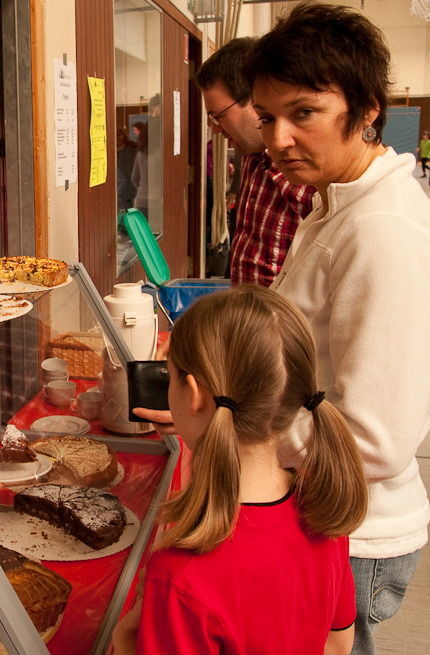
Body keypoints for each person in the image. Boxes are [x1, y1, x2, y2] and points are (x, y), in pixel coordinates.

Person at [244, 6, 430, 653]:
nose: (280, 139)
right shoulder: (337, 201)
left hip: (355, 535)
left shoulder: (382, 229)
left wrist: (246, 431)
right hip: (322, 511)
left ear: (367, 108)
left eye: (304, 113)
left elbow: (377, 439)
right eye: (267, 117)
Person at [114, 285, 368, 655]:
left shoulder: (179, 576)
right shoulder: (324, 514)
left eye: (169, 376)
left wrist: (126, 637)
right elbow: (338, 644)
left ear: (194, 394)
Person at [196, 37, 316, 287]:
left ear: (255, 101)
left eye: (219, 116)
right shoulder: (252, 154)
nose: (216, 129)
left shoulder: (301, 165)